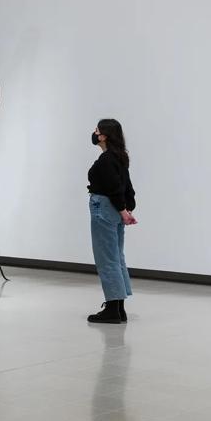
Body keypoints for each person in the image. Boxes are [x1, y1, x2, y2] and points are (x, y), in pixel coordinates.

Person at [87, 118, 136, 324]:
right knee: (116, 256)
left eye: (97, 130)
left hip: (105, 208)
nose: (94, 133)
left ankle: (112, 309)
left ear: (104, 136)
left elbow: (115, 187)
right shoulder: (119, 157)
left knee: (106, 259)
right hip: (115, 209)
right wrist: (127, 208)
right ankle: (119, 307)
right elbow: (128, 188)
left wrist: (123, 210)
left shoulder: (106, 159)